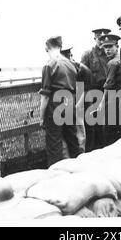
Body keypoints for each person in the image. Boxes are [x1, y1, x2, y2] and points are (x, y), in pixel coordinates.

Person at [39, 36, 83, 167]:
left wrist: (41, 117)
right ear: (60, 47)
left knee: (54, 144)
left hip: (55, 104)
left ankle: (56, 174)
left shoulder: (49, 65)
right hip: (69, 102)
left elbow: (45, 95)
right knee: (72, 139)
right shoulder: (70, 64)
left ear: (47, 48)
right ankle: (79, 168)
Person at [81, 28, 111, 151]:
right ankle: (91, 151)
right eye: (99, 38)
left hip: (108, 93)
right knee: (92, 124)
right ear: (95, 39)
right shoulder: (88, 55)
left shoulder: (110, 54)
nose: (102, 41)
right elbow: (81, 75)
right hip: (92, 94)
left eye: (104, 39)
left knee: (107, 123)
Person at [60, 46, 92, 155]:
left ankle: (81, 152)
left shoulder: (79, 68)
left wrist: (77, 105)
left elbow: (83, 89)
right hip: (69, 99)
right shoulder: (65, 67)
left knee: (79, 127)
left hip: (79, 99)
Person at [96, 34, 121, 145]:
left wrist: (101, 103)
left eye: (110, 47)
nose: (107, 50)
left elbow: (109, 85)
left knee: (108, 131)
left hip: (113, 100)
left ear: (117, 46)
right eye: (105, 47)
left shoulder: (112, 62)